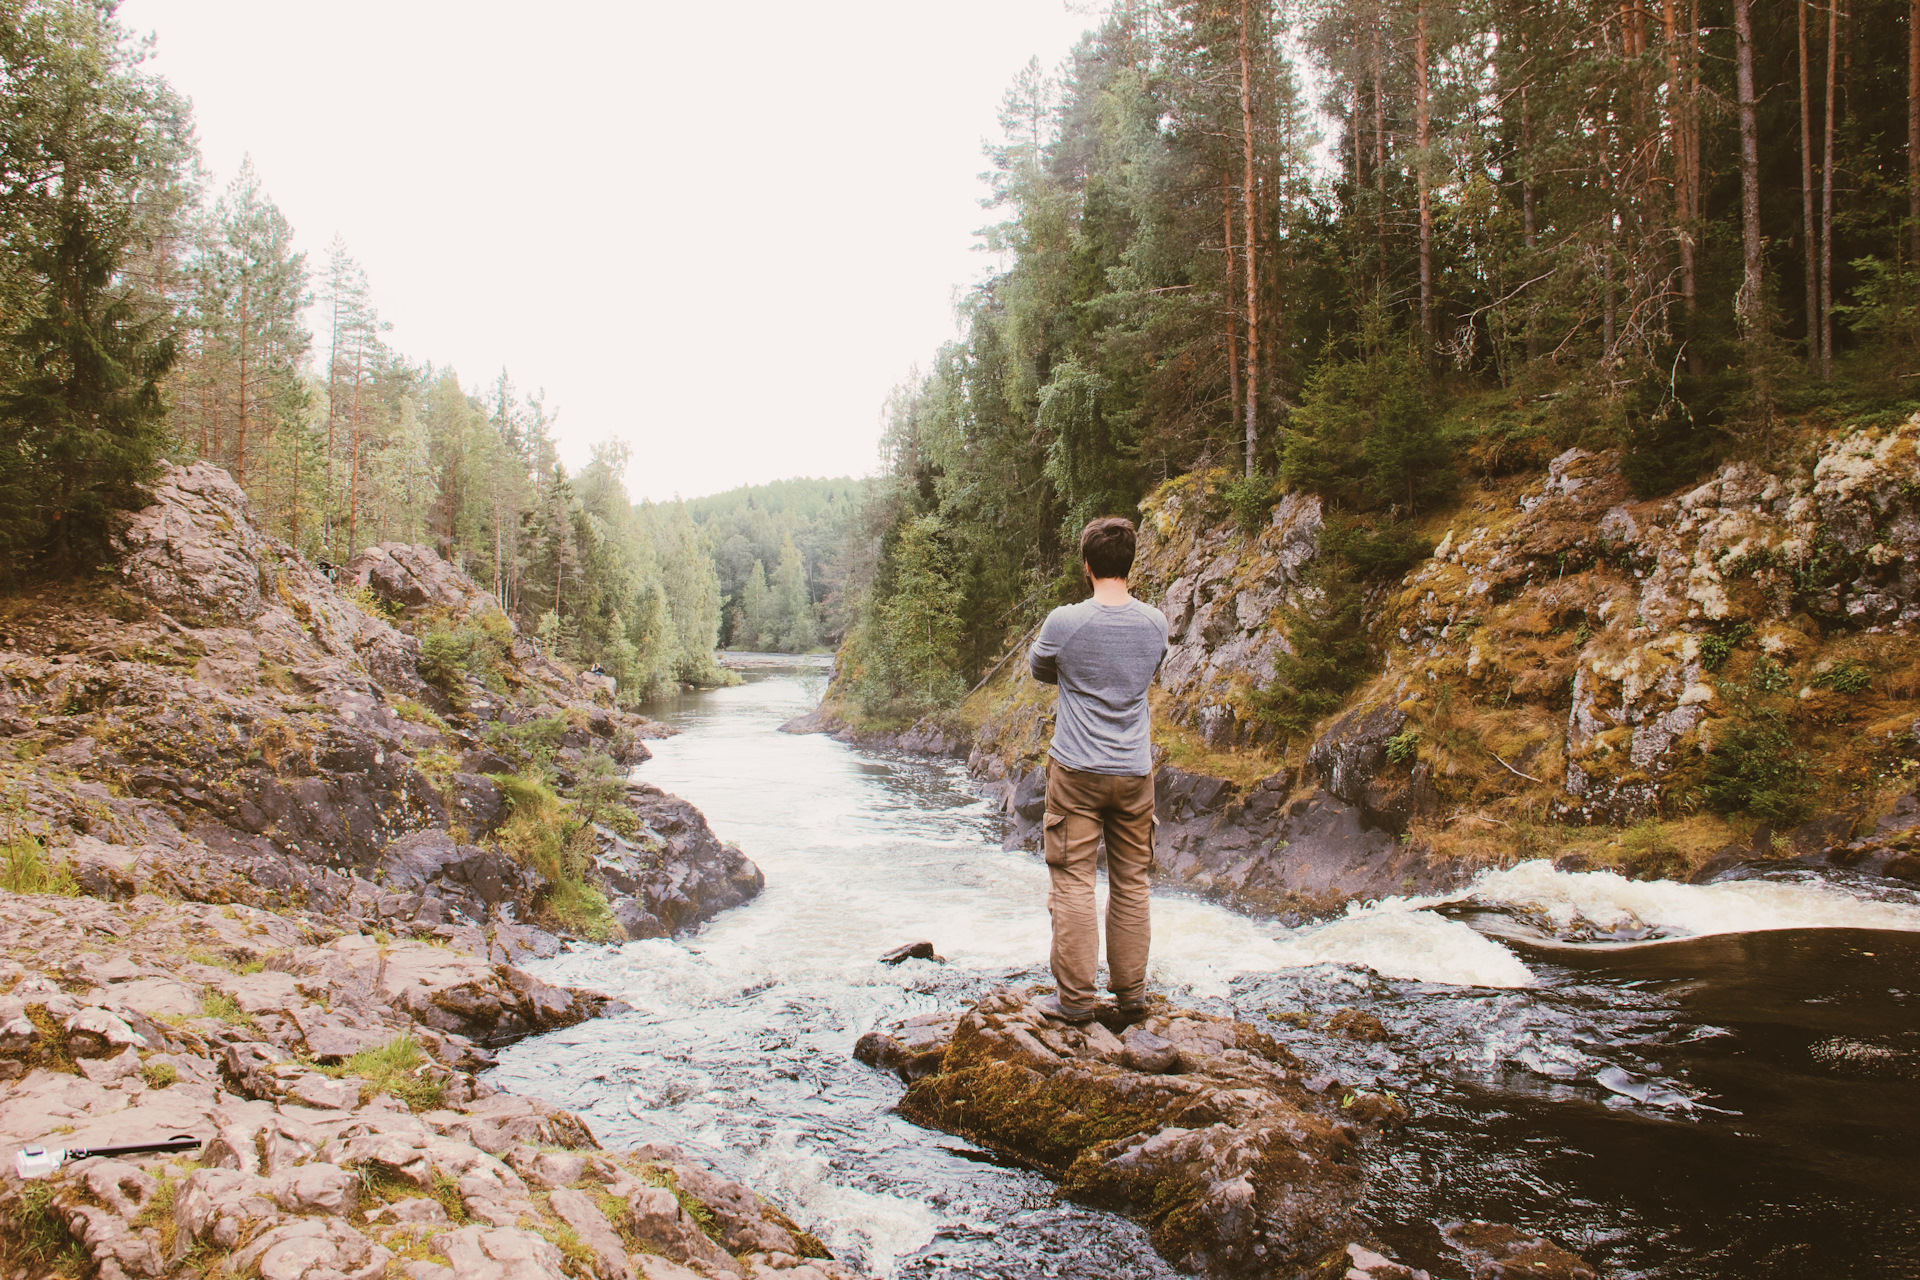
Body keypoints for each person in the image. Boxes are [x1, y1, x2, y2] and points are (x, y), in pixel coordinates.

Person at [1026, 515, 1168, 1024]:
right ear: (1130, 564)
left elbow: (1039, 667)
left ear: (1087, 566)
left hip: (1077, 772)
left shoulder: (1065, 621)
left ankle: (1075, 1002)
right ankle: (1131, 998)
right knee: (1132, 883)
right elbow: (1153, 667)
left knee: (1072, 881)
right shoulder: (1156, 622)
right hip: (1134, 773)